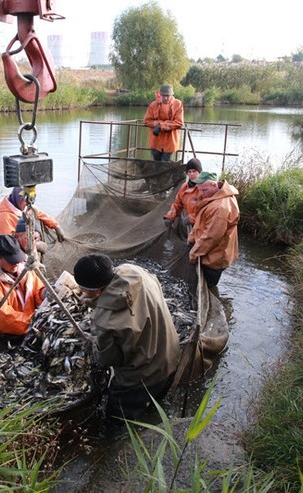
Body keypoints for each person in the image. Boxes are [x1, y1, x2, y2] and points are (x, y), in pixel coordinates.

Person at [73, 254, 179, 420]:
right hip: (171, 359)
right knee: (156, 409)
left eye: (83, 289)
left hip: (141, 380)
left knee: (118, 421)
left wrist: (93, 344)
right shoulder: (136, 272)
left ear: (96, 291)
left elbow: (108, 359)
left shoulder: (104, 321)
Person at [0, 234, 46, 339]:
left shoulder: (24, 269)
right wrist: (34, 323)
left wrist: (44, 293)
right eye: (11, 261)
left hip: (25, 327)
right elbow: (3, 317)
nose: (16, 264)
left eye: (18, 259)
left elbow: (36, 291)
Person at [187, 171, 240, 288]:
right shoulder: (212, 196)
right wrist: (191, 237)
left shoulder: (220, 207)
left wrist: (193, 254)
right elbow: (201, 221)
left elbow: (211, 237)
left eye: (204, 190)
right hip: (208, 252)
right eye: (199, 190)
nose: (201, 193)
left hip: (215, 258)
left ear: (214, 185)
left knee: (208, 286)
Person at [0, 186, 65, 241]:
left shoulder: (26, 208)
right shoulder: (4, 218)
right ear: (19, 199)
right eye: (25, 201)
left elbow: (40, 214)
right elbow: (7, 244)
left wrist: (56, 226)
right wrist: (35, 246)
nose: (27, 204)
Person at [143, 84, 184, 161]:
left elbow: (179, 123)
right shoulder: (153, 105)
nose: (165, 98)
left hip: (170, 142)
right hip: (155, 141)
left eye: (168, 95)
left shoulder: (178, 104)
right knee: (156, 165)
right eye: (163, 95)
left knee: (166, 165)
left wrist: (161, 126)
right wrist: (159, 124)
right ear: (160, 94)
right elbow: (146, 121)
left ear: (172, 95)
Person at [163, 158, 203, 229]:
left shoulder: (204, 188)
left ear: (199, 172)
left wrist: (191, 218)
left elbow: (206, 211)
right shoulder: (184, 187)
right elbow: (177, 204)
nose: (191, 174)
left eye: (194, 171)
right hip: (192, 225)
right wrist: (170, 217)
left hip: (203, 225)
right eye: (189, 172)